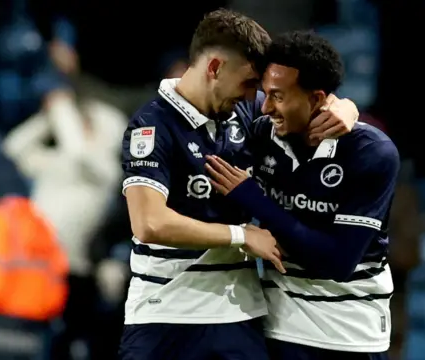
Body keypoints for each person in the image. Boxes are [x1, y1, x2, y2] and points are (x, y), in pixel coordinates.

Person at [118, 9, 359, 360]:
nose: (253, 96)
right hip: (165, 313)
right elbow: (150, 223)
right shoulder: (152, 127)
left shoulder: (243, 113)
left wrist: (345, 107)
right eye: (248, 83)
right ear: (214, 68)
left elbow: (305, 103)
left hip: (239, 316)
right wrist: (242, 235)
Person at [205, 30, 398, 360]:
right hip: (276, 326)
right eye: (264, 94)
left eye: (278, 96)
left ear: (318, 98)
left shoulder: (370, 153)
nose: (265, 107)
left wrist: (252, 198)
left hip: (348, 335)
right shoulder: (263, 132)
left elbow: (337, 261)